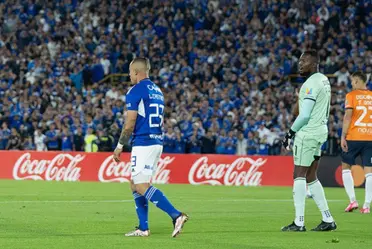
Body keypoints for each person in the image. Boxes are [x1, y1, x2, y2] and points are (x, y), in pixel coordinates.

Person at [112, 58, 188, 237]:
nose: (129, 76)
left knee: (141, 185)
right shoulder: (157, 90)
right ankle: (143, 228)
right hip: (156, 141)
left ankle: (176, 215)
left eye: (130, 72)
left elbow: (130, 122)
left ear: (137, 72)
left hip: (143, 142)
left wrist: (119, 145)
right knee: (135, 184)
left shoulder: (135, 91)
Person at [281, 50, 336, 232]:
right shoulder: (323, 79)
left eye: (303, 61)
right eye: (299, 61)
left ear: (313, 64)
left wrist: (290, 133)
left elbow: (303, 116)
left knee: (298, 175)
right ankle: (328, 219)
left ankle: (299, 222)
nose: (300, 64)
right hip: (321, 131)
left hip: (308, 133)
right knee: (311, 176)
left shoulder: (309, 84)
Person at [341, 72, 372, 214]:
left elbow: (348, 117)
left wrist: (343, 136)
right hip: (370, 138)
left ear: (358, 81)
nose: (352, 84)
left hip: (354, 137)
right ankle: (366, 206)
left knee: (345, 167)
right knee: (369, 172)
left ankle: (353, 200)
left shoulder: (351, 96)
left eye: (353, 81)